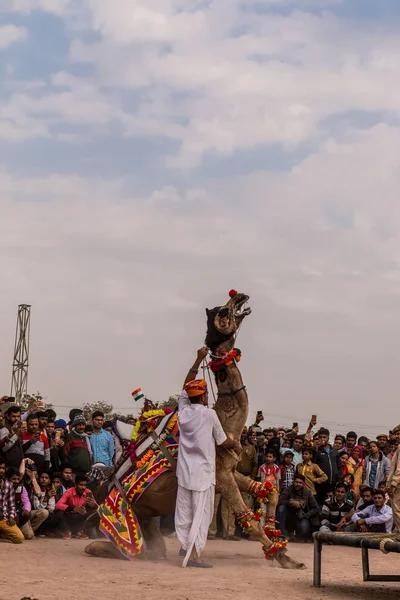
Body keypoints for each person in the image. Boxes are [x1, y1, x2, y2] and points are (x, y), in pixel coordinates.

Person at [174, 347, 241, 568]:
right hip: (202, 475)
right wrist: (236, 442)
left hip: (184, 472)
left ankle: (185, 546)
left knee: (184, 514)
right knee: (201, 515)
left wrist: (198, 359)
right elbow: (222, 441)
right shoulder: (210, 414)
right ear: (203, 396)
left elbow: (185, 388)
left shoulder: (182, 412)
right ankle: (194, 556)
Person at [277, 474, 320, 541]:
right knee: (281, 508)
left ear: (303, 484)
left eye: (300, 483)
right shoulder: (288, 490)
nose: (298, 484)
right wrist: (291, 502)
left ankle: (295, 536)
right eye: (296, 482)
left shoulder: (307, 493)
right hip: (289, 515)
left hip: (301, 516)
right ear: (293, 482)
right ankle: (282, 534)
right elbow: (280, 501)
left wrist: (306, 515)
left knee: (304, 529)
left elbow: (316, 508)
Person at [55, 473, 97, 539]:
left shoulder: (88, 492)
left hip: (81, 517)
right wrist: (72, 508)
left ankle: (80, 532)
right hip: (70, 516)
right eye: (81, 485)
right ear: (76, 485)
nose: (83, 487)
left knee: (94, 513)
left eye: (85, 485)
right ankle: (67, 531)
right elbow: (58, 505)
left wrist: (93, 505)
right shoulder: (69, 491)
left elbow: (97, 507)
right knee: (58, 512)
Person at [315, 428, 342, 505]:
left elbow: (339, 466)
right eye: (320, 437)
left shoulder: (334, 451)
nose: (322, 439)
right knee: (320, 504)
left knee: (332, 504)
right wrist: (315, 450)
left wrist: (339, 478)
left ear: (328, 438)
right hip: (321, 484)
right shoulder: (317, 451)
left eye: (324, 437)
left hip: (333, 483)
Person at [0, 459, 24, 543]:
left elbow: (12, 505)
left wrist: (11, 516)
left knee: (19, 538)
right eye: (0, 468)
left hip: (3, 518)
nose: (1, 470)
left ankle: (2, 534)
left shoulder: (8, 484)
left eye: (3, 468)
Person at [258, 450, 280, 524]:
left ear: (274, 458)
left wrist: (277, 492)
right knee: (263, 510)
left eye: (270, 457)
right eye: (267, 456)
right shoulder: (261, 467)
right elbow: (259, 479)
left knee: (272, 511)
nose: (268, 458)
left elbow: (277, 481)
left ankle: (270, 529)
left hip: (273, 492)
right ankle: (262, 529)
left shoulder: (277, 468)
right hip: (263, 491)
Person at [387, 424, 400, 533]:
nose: (397, 437)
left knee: (397, 510)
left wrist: (393, 485)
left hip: (398, 485)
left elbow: (399, 469)